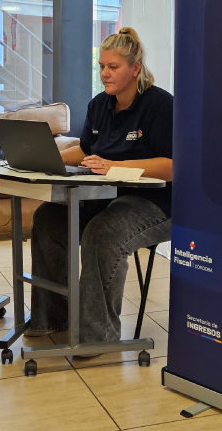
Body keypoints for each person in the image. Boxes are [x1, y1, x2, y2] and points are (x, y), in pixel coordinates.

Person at [26, 27, 173, 346]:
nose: (104, 73)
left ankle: (97, 336)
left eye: (113, 67)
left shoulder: (160, 106)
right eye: (102, 66)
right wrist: (45, 158)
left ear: (135, 68)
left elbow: (173, 166)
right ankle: (52, 317)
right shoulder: (99, 105)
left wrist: (116, 166)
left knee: (104, 231)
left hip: (156, 203)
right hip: (107, 196)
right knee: (48, 218)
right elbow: (86, 150)